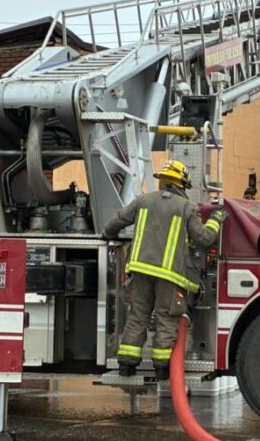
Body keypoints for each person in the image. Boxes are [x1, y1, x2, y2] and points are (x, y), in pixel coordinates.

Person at [103, 160, 226, 379]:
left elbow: (118, 219)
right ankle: (161, 368)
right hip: (169, 276)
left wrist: (107, 234)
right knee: (166, 318)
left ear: (163, 181)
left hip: (139, 271)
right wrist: (216, 220)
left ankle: (127, 364)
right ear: (182, 184)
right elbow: (203, 239)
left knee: (137, 316)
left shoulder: (143, 200)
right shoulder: (187, 207)